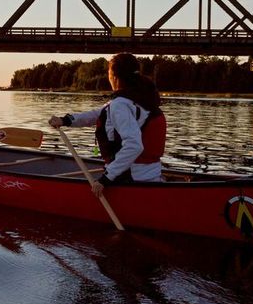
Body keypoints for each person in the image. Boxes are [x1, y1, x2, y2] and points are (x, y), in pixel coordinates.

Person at [48, 53, 166, 199]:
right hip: (152, 175)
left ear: (114, 76)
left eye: (108, 73)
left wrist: (105, 179)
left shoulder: (121, 104)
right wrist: (65, 120)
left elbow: (134, 146)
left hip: (131, 178)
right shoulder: (141, 98)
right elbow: (99, 114)